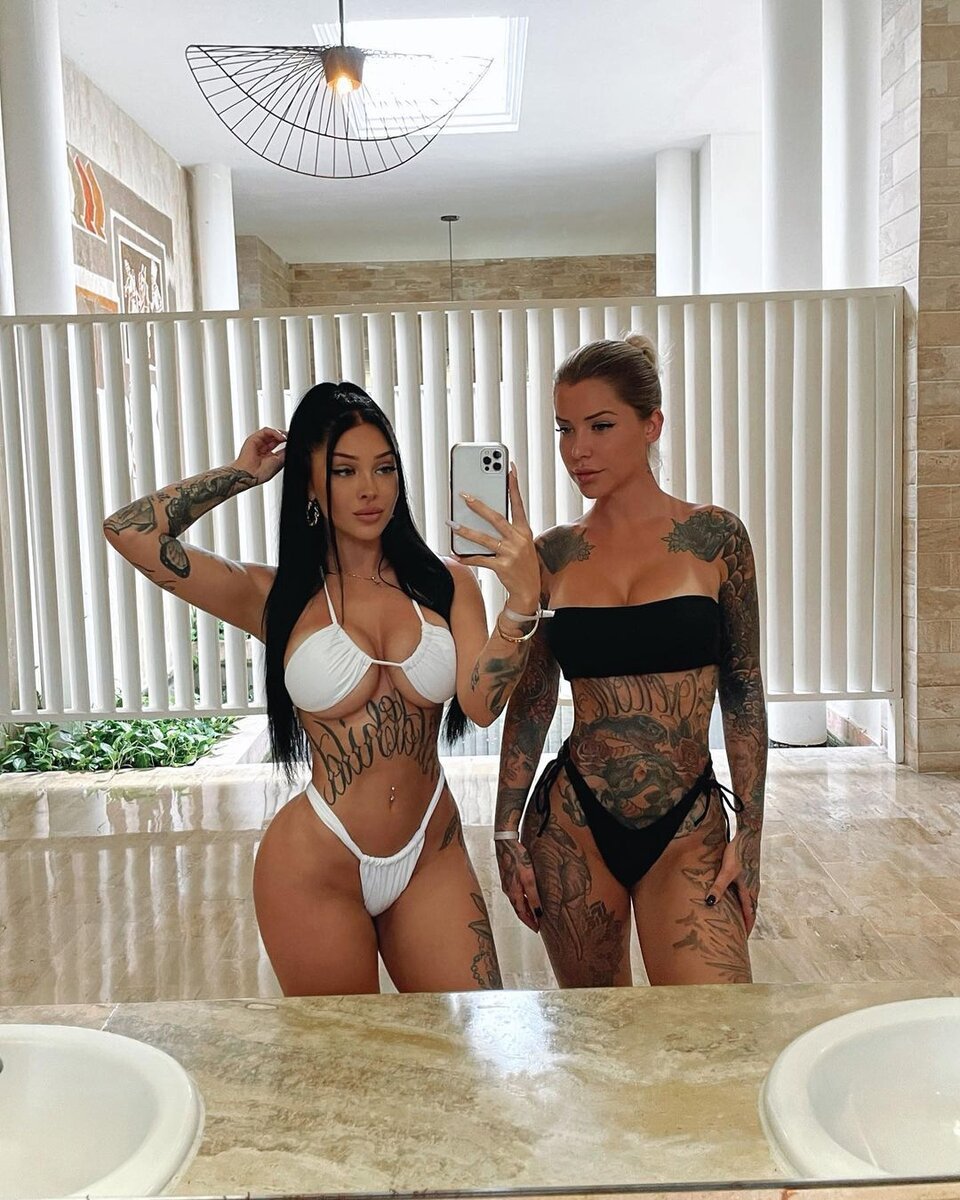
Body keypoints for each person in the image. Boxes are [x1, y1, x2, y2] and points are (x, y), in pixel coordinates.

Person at [103, 382, 543, 996]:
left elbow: (481, 706)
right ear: (309, 484)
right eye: (344, 470)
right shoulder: (275, 596)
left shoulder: (447, 584)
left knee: (469, 1037)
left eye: (384, 468)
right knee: (342, 1052)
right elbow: (129, 532)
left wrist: (522, 601)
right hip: (317, 861)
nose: (369, 489)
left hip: (430, 849)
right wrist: (241, 474)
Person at [494, 335, 767, 987]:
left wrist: (752, 832)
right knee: (597, 1033)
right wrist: (505, 830)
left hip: (689, 826)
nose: (577, 450)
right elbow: (532, 701)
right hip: (573, 828)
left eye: (600, 426)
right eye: (565, 429)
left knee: (720, 1029)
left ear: (652, 425)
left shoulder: (715, 537)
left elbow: (744, 688)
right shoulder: (552, 554)